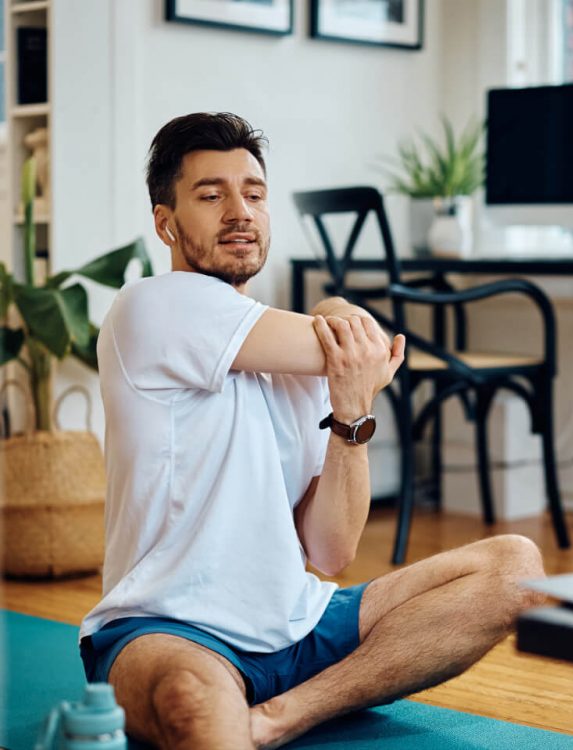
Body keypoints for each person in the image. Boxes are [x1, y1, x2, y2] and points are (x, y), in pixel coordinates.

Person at [79, 112, 547, 749]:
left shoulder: (297, 362)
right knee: (190, 702)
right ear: (166, 222)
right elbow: (370, 345)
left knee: (518, 566)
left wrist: (350, 414)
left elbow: (329, 551)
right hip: (167, 629)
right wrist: (337, 314)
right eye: (211, 196)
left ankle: (284, 714)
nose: (239, 211)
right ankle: (247, 711)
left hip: (298, 622)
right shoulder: (152, 305)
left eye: (255, 193)